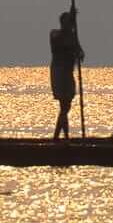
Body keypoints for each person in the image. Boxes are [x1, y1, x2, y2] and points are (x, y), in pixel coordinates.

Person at [49, 9, 85, 139]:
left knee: (66, 106)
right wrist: (71, 20)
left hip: (68, 73)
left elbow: (79, 51)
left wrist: (80, 53)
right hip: (59, 73)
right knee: (64, 106)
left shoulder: (72, 36)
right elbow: (63, 41)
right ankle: (65, 137)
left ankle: (57, 137)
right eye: (67, 23)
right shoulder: (55, 34)